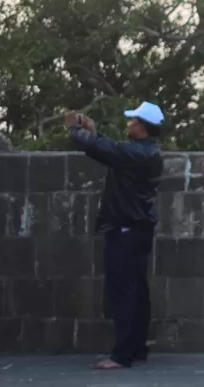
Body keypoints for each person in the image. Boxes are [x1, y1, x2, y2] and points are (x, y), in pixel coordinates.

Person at [65, 101, 165, 370]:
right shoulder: (146, 153)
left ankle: (122, 354)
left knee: (123, 291)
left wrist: (77, 131)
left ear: (142, 128)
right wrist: (93, 132)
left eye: (133, 121)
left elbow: (104, 150)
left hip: (126, 230)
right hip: (138, 229)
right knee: (137, 291)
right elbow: (113, 150)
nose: (129, 124)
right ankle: (136, 348)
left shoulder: (139, 155)